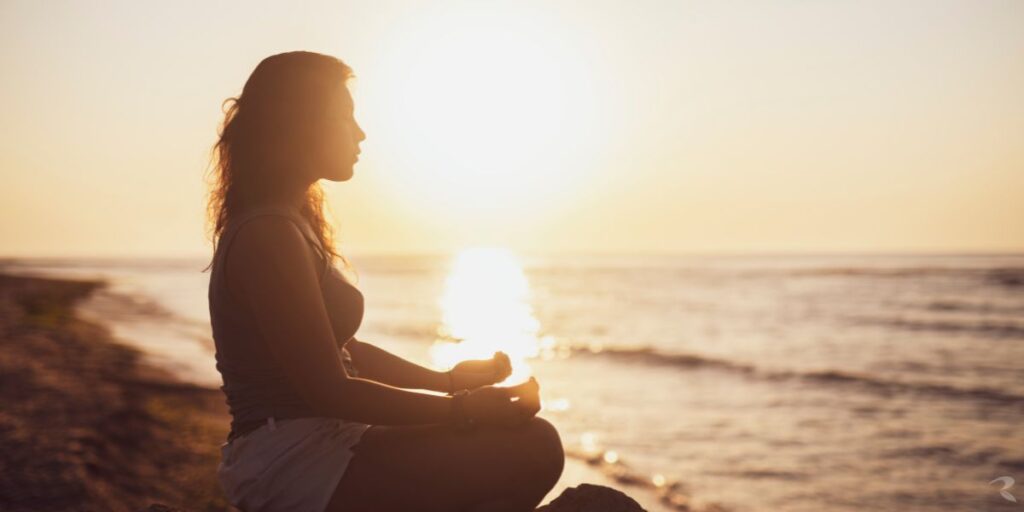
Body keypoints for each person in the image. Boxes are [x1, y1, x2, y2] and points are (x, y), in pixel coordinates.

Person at [203, 51, 564, 512]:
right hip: (290, 461)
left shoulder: (290, 222)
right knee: (532, 447)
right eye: (344, 117)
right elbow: (328, 389)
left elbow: (343, 353)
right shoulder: (268, 234)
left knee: (525, 439)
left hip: (323, 439)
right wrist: (465, 408)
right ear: (300, 123)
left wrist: (448, 382)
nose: (360, 133)